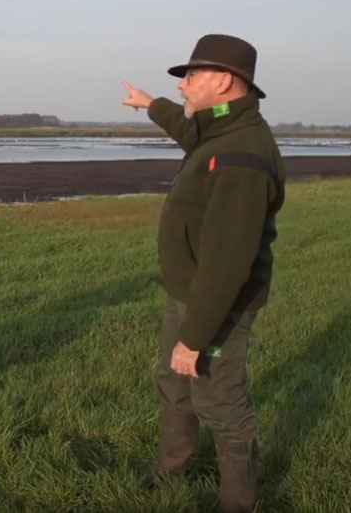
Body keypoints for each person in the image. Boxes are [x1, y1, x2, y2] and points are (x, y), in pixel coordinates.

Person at [121, 34, 285, 513]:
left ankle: (240, 502)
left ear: (224, 81)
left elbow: (227, 261)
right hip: (188, 293)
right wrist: (151, 104)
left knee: (220, 402)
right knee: (174, 383)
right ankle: (172, 469)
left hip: (219, 303)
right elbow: (186, 129)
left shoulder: (243, 154)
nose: (185, 84)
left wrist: (194, 337)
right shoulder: (219, 129)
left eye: (191, 76)